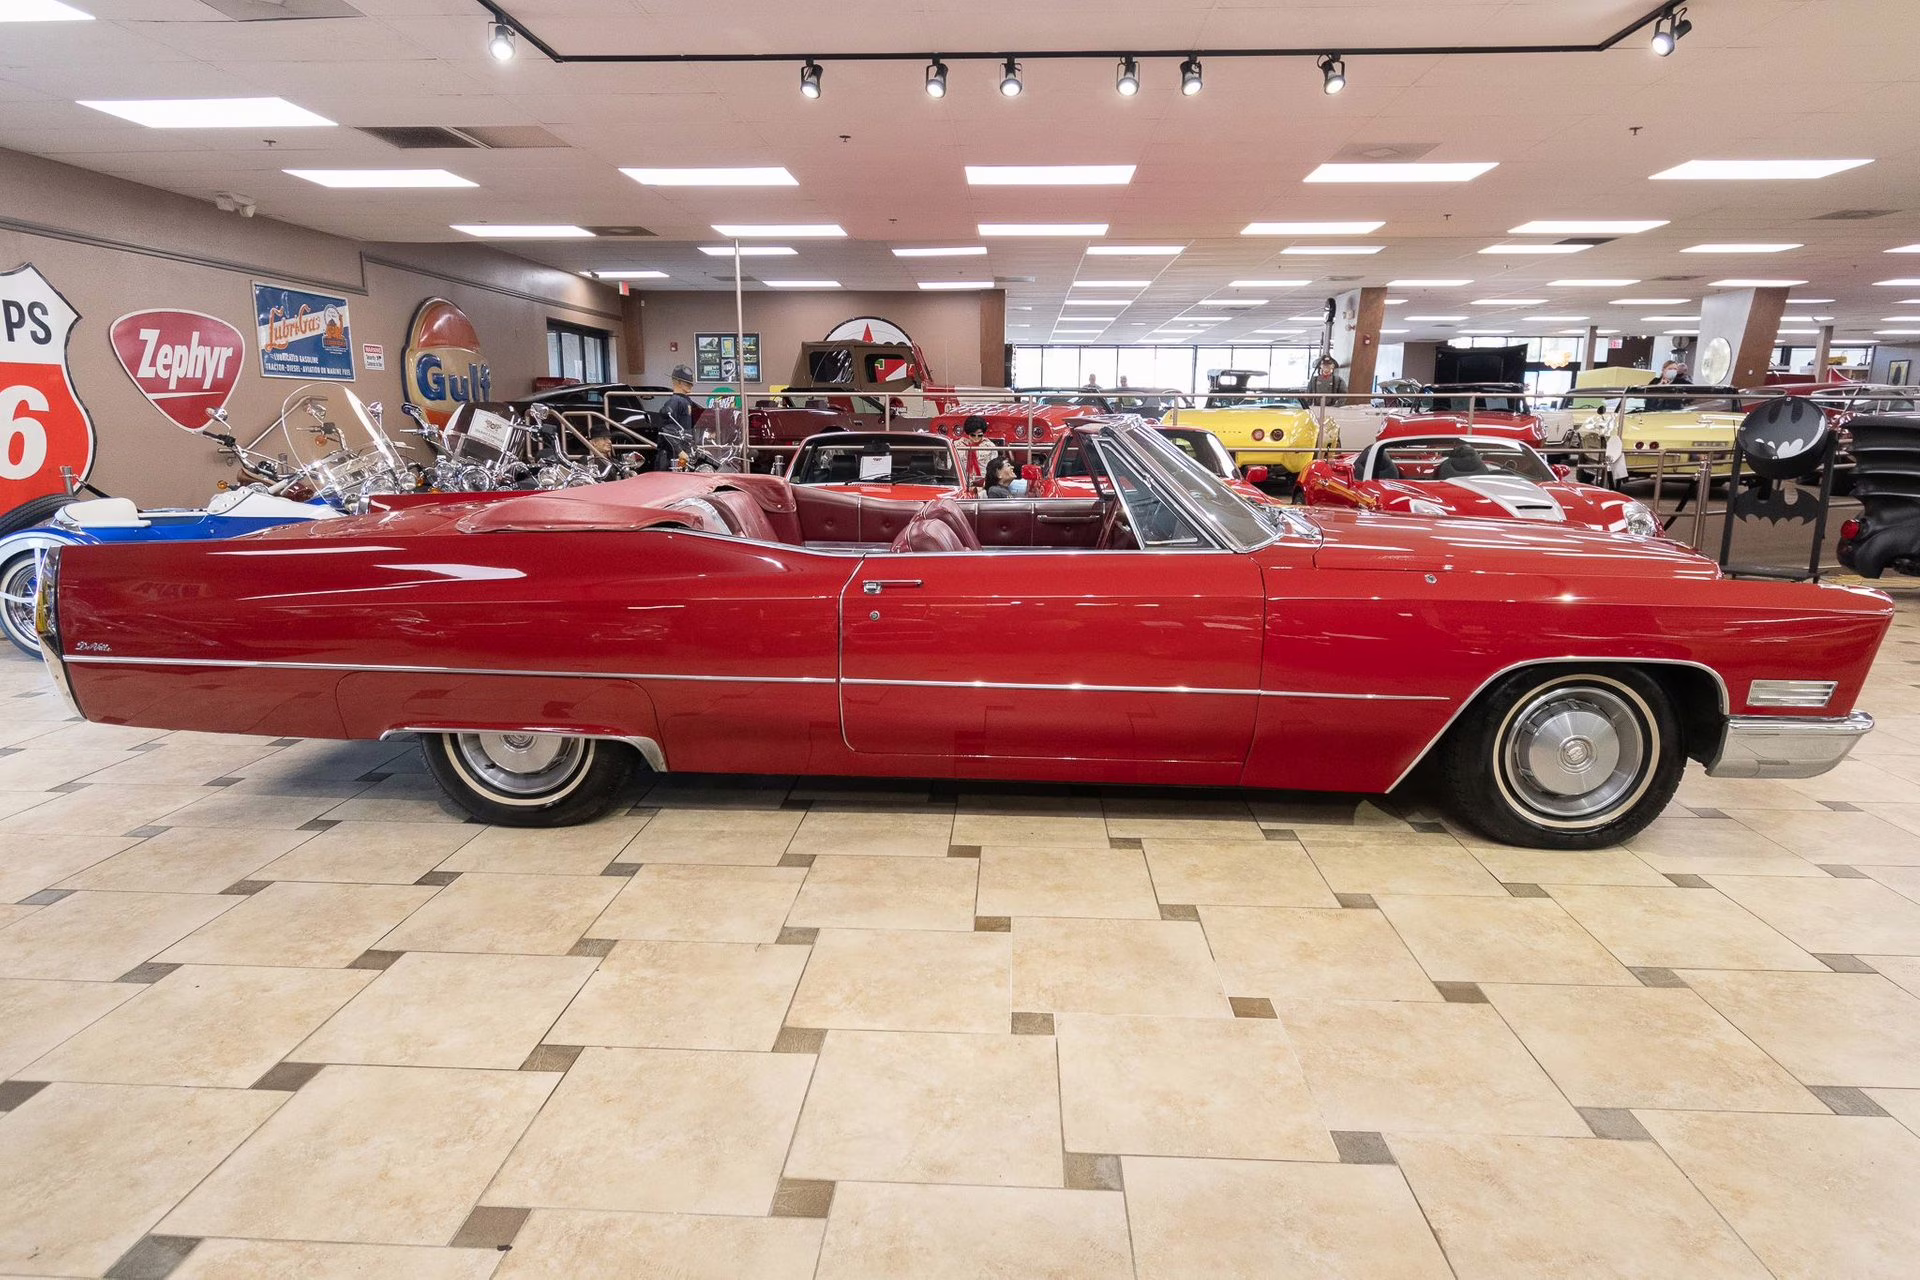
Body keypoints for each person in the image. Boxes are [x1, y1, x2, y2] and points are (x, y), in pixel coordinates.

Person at [652, 364, 699, 471]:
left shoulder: (684, 401)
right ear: (678, 382)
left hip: (682, 452)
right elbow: (667, 429)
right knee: (676, 479)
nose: (691, 385)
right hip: (673, 455)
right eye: (687, 382)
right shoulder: (675, 401)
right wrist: (680, 451)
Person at [956, 415, 991, 491]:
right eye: (973, 435)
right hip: (961, 483)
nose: (976, 437)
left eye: (979, 434)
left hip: (985, 484)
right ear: (968, 433)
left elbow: (993, 470)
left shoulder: (990, 446)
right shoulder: (956, 445)